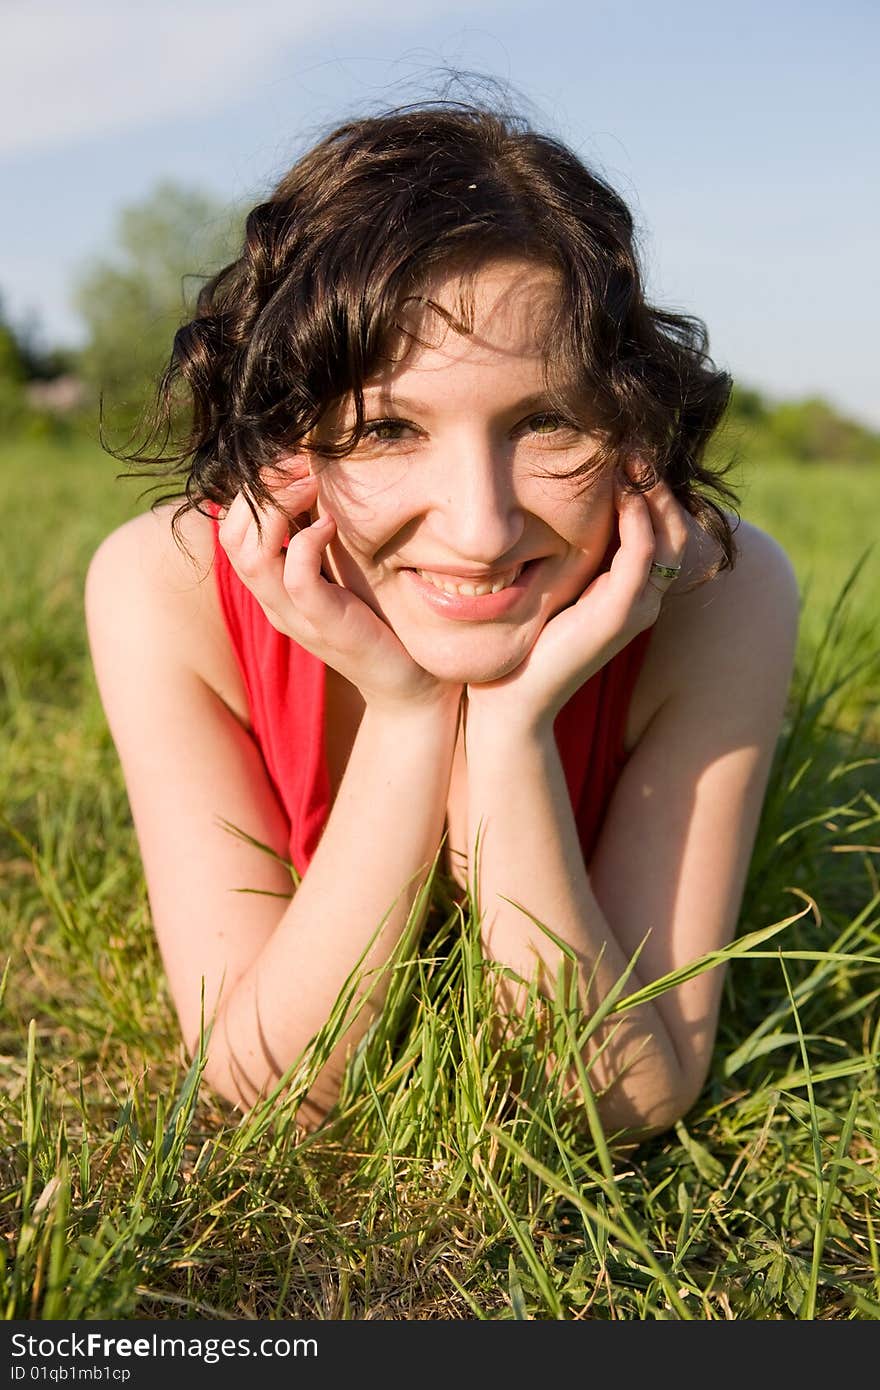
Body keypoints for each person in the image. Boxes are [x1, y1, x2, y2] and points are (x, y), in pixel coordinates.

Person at [83, 96, 800, 1145]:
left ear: (632, 425)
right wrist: (410, 713)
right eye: (385, 429)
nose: (478, 526)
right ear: (288, 446)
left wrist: (509, 735)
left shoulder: (718, 598)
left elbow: (624, 1098)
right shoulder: (166, 590)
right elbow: (265, 1084)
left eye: (546, 420)